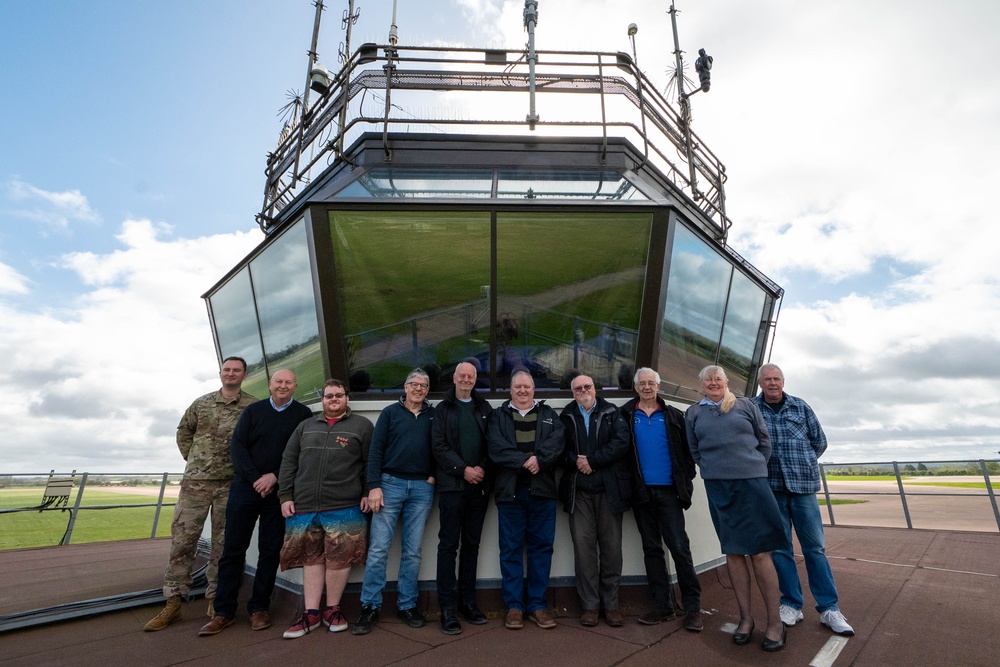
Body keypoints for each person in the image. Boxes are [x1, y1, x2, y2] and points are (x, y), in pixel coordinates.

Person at [144, 357, 256, 631]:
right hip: (196, 483)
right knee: (183, 541)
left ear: (244, 375)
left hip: (230, 484)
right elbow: (184, 432)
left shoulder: (252, 407)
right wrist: (196, 460)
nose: (231, 373)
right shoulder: (201, 403)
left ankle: (216, 599)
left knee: (224, 544)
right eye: (227, 369)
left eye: (236, 370)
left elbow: (256, 441)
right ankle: (173, 601)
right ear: (221, 373)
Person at [199, 369, 313, 636]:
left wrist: (273, 477)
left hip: (278, 492)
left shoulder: (303, 416)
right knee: (232, 550)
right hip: (245, 489)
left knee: (270, 551)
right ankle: (223, 611)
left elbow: (298, 453)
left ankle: (259, 608)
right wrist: (255, 479)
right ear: (270, 385)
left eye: (288, 382)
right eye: (278, 382)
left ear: (295, 386)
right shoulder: (253, 411)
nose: (283, 386)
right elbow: (237, 447)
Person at [685, 365, 788, 652]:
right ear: (702, 384)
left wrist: (750, 467)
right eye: (708, 378)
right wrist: (714, 469)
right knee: (733, 552)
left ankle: (775, 623)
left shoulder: (745, 406)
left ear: (726, 382)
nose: (713, 382)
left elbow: (764, 443)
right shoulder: (693, 414)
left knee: (760, 554)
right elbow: (694, 450)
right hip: (719, 487)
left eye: (718, 378)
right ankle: (745, 619)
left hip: (753, 485)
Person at [752, 363, 854, 636]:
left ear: (783, 381)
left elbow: (819, 442)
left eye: (776, 379)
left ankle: (829, 608)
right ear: (760, 383)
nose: (772, 383)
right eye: (767, 380)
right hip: (772, 488)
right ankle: (791, 604)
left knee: (815, 548)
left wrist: (803, 463)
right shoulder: (751, 409)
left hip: (803, 487)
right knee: (781, 549)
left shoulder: (801, 406)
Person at [277, 379, 374, 638]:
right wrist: (285, 495)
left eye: (338, 395)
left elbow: (369, 464)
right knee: (311, 558)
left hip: (345, 505)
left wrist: (366, 491)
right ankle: (311, 614)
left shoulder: (362, 427)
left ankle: (333, 609)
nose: (333, 399)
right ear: (322, 400)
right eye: (329, 395)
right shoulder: (305, 427)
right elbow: (288, 462)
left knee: (340, 558)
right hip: (305, 505)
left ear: (346, 398)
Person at [352, 369, 436, 635]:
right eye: (414, 384)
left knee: (412, 551)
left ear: (428, 390)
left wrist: (433, 476)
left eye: (424, 385)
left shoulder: (434, 415)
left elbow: (441, 446)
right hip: (389, 486)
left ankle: (407, 605)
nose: (418, 389)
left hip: (422, 488)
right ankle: (370, 606)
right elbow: (375, 451)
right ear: (405, 386)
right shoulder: (389, 413)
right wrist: (374, 486)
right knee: (379, 548)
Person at [620, 368, 703, 632]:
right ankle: (663, 605)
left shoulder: (673, 416)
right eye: (641, 383)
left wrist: (684, 478)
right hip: (641, 493)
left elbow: (688, 454)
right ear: (635, 387)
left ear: (658, 386)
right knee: (652, 549)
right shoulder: (624, 415)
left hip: (669, 492)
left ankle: (692, 607)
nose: (646, 387)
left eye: (651, 383)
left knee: (679, 547)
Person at [488, 369, 565, 631]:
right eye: (518, 387)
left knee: (541, 549)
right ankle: (514, 607)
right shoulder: (498, 416)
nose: (522, 391)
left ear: (534, 390)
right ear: (510, 390)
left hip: (542, 493)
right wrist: (524, 461)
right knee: (510, 550)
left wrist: (540, 459)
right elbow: (495, 447)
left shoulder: (549, 415)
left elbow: (559, 442)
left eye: (527, 387)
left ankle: (537, 605)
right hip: (510, 493)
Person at [558, 373, 631, 628]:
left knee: (612, 550)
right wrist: (575, 461)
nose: (583, 390)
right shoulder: (566, 415)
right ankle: (590, 606)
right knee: (584, 550)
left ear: (595, 388)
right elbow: (557, 448)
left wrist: (593, 461)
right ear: (572, 393)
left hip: (609, 492)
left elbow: (622, 442)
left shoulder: (612, 412)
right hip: (579, 493)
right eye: (577, 388)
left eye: (587, 386)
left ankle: (611, 605)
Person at [431, 362, 492, 634]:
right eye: (462, 375)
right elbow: (439, 446)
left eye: (471, 376)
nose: (466, 379)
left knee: (471, 545)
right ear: (454, 378)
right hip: (452, 487)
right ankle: (447, 608)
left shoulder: (485, 408)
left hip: (479, 487)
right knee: (448, 545)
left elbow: (495, 443)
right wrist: (463, 469)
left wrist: (481, 468)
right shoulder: (442, 410)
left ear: (475, 379)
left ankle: (468, 602)